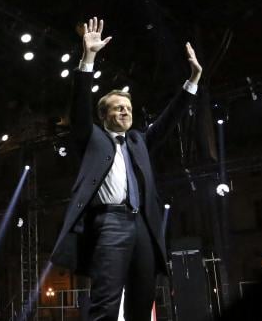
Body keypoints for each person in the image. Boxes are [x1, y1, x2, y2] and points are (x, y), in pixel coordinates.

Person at [50, 17, 202, 321]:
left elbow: (170, 119)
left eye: (129, 108)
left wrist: (192, 81)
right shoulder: (92, 137)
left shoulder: (138, 141)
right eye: (119, 107)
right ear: (104, 115)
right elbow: (79, 107)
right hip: (109, 221)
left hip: (143, 225)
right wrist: (88, 58)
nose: (125, 111)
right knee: (106, 302)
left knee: (142, 301)